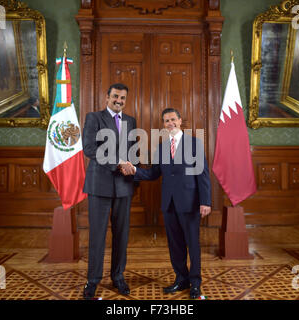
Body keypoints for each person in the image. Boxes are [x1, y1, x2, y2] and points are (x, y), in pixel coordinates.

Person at [121, 108, 211, 299]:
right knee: (175, 244)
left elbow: (203, 175)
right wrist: (134, 170)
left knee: (192, 244)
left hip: (190, 202)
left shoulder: (194, 144)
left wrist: (205, 201)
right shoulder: (161, 147)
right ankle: (181, 279)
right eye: (166, 121)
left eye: (173, 120)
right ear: (163, 125)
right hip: (169, 204)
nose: (170, 123)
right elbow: (154, 174)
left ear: (180, 121)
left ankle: (195, 283)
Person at [82, 83, 137, 299]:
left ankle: (118, 276)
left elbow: (133, 150)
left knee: (122, 235)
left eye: (123, 98)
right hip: (100, 185)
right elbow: (89, 149)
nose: (119, 101)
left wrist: (133, 170)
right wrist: (118, 163)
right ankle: (93, 281)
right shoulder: (94, 118)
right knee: (97, 235)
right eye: (115, 96)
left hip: (124, 187)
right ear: (107, 97)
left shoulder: (131, 121)